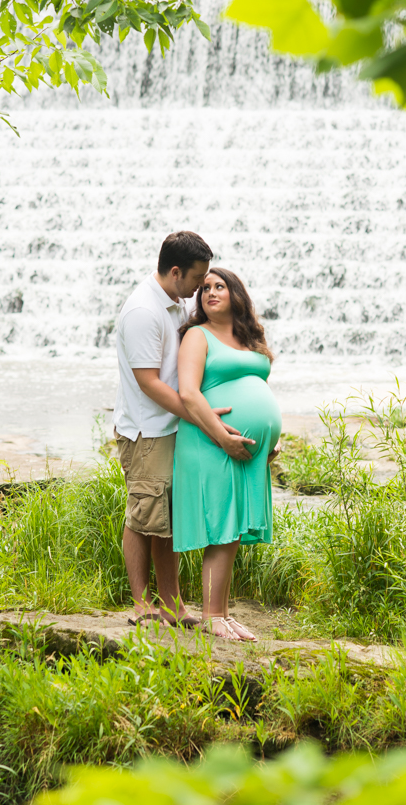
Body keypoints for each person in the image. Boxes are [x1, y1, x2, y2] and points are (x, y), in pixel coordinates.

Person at [113, 233, 255, 627]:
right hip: (147, 431)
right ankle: (142, 606)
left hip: (171, 428)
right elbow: (150, 383)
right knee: (143, 515)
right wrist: (202, 417)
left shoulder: (173, 304)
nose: (201, 287)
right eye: (198, 278)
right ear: (176, 272)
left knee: (164, 522)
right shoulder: (143, 311)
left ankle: (173, 607)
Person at [173, 268, 282, 642]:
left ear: (237, 293)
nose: (210, 293)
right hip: (209, 441)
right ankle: (211, 616)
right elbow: (188, 393)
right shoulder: (196, 336)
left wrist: (270, 437)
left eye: (219, 286)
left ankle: (221, 614)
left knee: (232, 531)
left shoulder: (249, 338)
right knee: (221, 528)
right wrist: (222, 438)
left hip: (243, 448)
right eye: (204, 288)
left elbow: (256, 386)